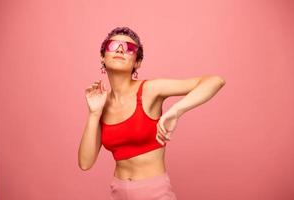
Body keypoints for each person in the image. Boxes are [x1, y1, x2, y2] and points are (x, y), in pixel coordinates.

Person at [78, 26, 226, 200]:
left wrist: (176, 111)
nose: (120, 49)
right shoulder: (102, 103)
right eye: (113, 45)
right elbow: (85, 163)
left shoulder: (150, 90)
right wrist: (94, 113)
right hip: (117, 192)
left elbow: (215, 81)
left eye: (129, 48)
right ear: (102, 56)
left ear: (137, 62)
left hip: (154, 193)